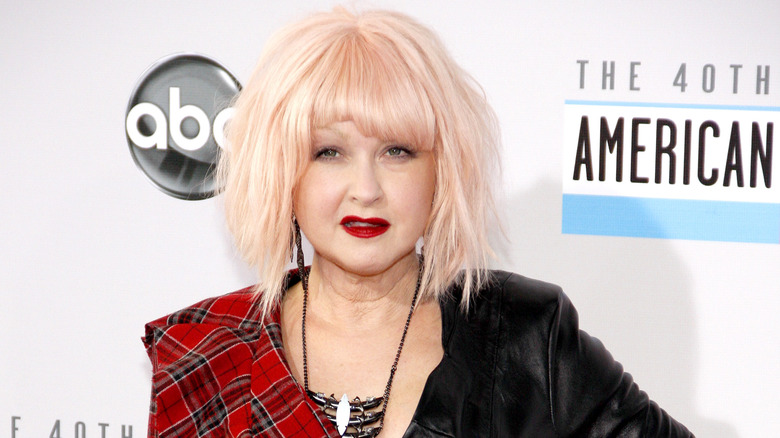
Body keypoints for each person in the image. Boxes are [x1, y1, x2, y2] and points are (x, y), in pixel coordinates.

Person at [143, 7, 694, 438]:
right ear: (283, 172)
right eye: (329, 152)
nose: (366, 189)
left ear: (442, 171)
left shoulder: (529, 338)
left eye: (398, 151)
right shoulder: (205, 355)